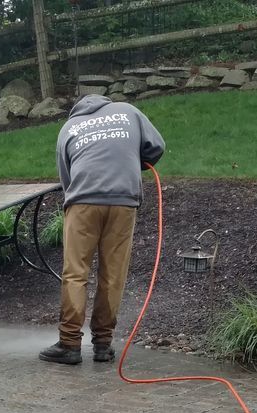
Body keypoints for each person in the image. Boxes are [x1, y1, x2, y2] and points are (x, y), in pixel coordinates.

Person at [39, 94, 165, 366]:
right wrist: (133, 161)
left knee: (75, 272)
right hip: (123, 200)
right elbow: (156, 146)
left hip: (82, 201)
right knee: (113, 274)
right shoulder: (128, 111)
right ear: (106, 101)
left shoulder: (69, 128)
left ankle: (70, 344)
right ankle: (102, 345)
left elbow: (66, 177)